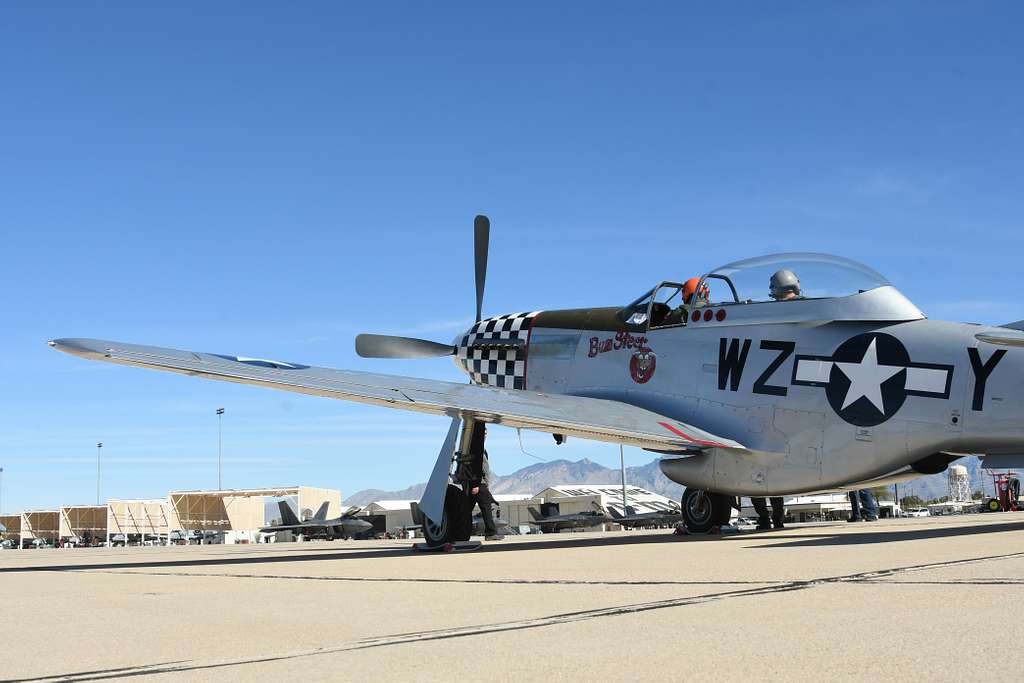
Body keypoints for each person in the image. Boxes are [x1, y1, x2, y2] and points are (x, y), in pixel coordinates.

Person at [458, 425, 504, 541]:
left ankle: (461, 534)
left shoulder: (480, 448)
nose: (485, 436)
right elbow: (475, 467)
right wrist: (476, 485)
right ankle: (490, 533)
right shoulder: (476, 448)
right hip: (478, 483)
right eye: (483, 433)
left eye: (486, 434)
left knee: (467, 510)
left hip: (478, 484)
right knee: (486, 508)